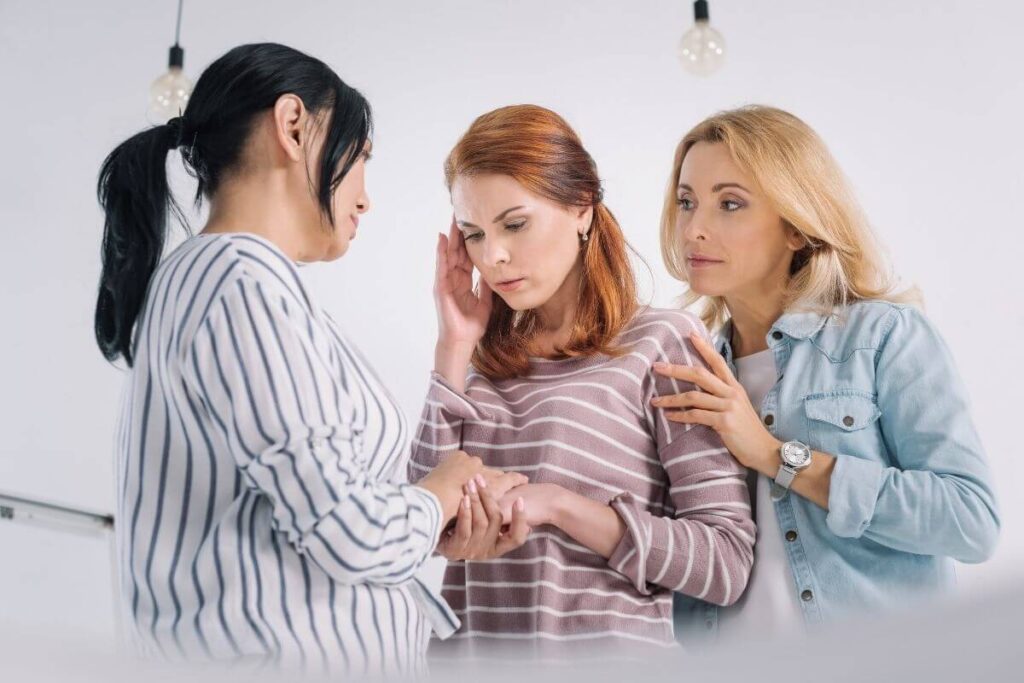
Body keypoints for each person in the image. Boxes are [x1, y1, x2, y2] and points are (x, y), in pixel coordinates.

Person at [94, 42, 524, 675]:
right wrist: (441, 491)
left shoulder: (218, 280)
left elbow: (300, 520)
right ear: (293, 126)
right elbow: (346, 529)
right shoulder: (239, 282)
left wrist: (428, 528)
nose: (366, 197)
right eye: (362, 158)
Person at [409, 105, 755, 657]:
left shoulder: (662, 345)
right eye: (473, 234)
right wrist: (453, 346)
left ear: (581, 210)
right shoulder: (476, 368)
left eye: (514, 224)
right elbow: (417, 527)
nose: (492, 256)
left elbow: (724, 562)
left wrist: (558, 505)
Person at [650, 105, 1000, 642]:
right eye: (687, 202)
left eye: (730, 204)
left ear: (795, 227)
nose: (695, 229)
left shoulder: (882, 338)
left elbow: (970, 521)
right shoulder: (680, 369)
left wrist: (772, 455)